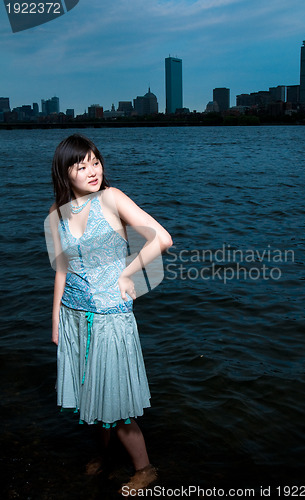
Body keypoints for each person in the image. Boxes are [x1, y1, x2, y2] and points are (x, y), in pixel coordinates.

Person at [47, 134, 172, 492]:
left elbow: (161, 238)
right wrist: (56, 318)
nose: (92, 171)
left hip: (110, 318)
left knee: (116, 402)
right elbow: (62, 270)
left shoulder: (112, 198)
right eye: (81, 165)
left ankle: (145, 470)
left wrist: (126, 272)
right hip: (73, 315)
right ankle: (103, 457)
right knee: (90, 396)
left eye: (95, 162)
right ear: (64, 172)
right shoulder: (57, 216)